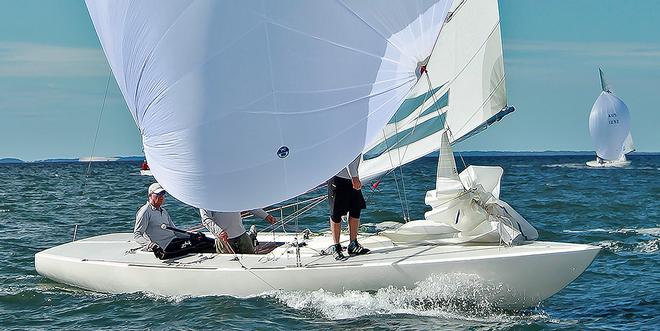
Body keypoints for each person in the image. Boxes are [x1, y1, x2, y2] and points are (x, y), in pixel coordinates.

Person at [134, 183, 215, 259]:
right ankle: (221, 252)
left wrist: (191, 236)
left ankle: (223, 248)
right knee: (200, 244)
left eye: (162, 194)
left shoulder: (163, 211)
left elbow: (176, 232)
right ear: (150, 196)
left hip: (174, 241)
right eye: (158, 194)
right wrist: (151, 245)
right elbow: (137, 235)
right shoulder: (145, 211)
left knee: (202, 238)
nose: (161, 196)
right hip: (165, 247)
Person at [328, 154, 369, 260]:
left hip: (351, 177)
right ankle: (336, 246)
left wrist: (355, 176)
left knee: (356, 208)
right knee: (336, 212)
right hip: (338, 176)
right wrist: (354, 176)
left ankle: (353, 243)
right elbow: (348, 155)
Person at [200, 208, 277, 254]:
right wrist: (219, 232)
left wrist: (266, 216)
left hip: (241, 234)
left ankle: (251, 236)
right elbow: (205, 219)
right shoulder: (206, 199)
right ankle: (252, 235)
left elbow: (248, 206)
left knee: (251, 259)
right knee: (228, 265)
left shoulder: (234, 193)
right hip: (223, 239)